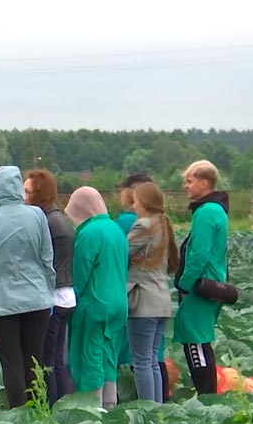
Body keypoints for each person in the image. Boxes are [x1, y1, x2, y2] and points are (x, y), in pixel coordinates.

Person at [0, 165, 56, 409]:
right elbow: (46, 260)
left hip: (0, 305)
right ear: (19, 188)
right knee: (33, 361)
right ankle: (39, 411)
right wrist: (49, 295)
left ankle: (18, 416)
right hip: (37, 302)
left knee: (11, 364)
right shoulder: (37, 216)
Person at [64, 186, 128, 409]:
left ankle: (92, 408)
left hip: (95, 304)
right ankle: (111, 403)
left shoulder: (89, 233)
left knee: (90, 356)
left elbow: (80, 275)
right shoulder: (115, 229)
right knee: (109, 354)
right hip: (120, 303)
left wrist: (70, 303)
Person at [174, 159, 229, 395]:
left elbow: (199, 255)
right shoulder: (217, 210)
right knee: (202, 341)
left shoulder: (205, 212)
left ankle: (207, 398)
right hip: (213, 285)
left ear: (204, 182)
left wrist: (184, 284)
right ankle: (209, 396)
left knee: (195, 343)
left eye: (189, 181)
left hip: (200, 288)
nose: (186, 186)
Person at [23, 169, 75, 406]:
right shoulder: (60, 218)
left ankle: (53, 407)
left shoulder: (45, 222)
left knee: (47, 360)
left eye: (27, 191)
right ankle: (62, 404)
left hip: (53, 296)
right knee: (56, 358)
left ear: (38, 192)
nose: (23, 195)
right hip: (66, 294)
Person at [126, 182, 178, 403]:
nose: (133, 205)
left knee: (141, 361)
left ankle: (148, 409)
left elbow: (120, 250)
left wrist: (131, 258)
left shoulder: (143, 225)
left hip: (143, 302)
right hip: (162, 301)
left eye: (136, 200)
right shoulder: (162, 225)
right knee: (153, 360)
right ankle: (158, 408)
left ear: (145, 203)